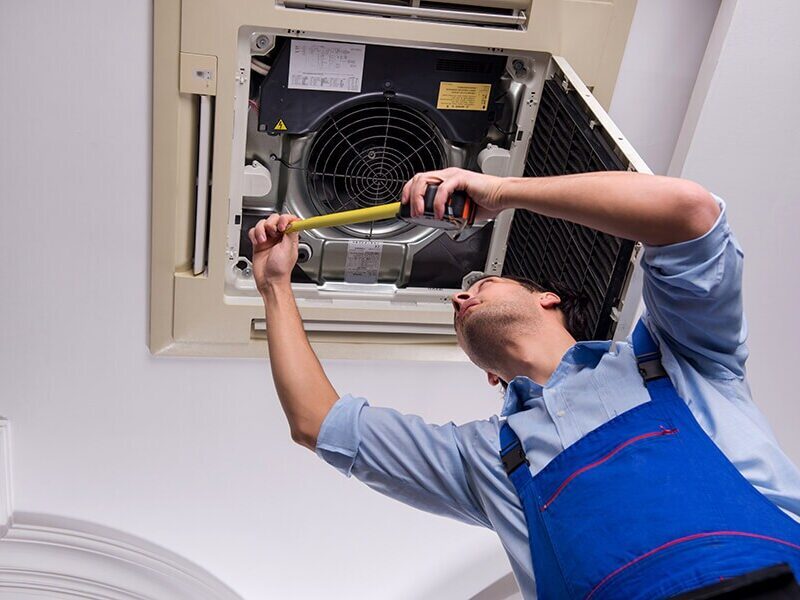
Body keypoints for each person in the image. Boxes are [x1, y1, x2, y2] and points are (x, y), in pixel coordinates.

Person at [248, 168, 800, 599]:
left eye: (480, 281)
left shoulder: (678, 355)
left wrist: (502, 192)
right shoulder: (486, 457)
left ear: (549, 297)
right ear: (490, 375)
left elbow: (690, 212)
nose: (461, 298)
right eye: (459, 302)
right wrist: (275, 285)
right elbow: (317, 421)